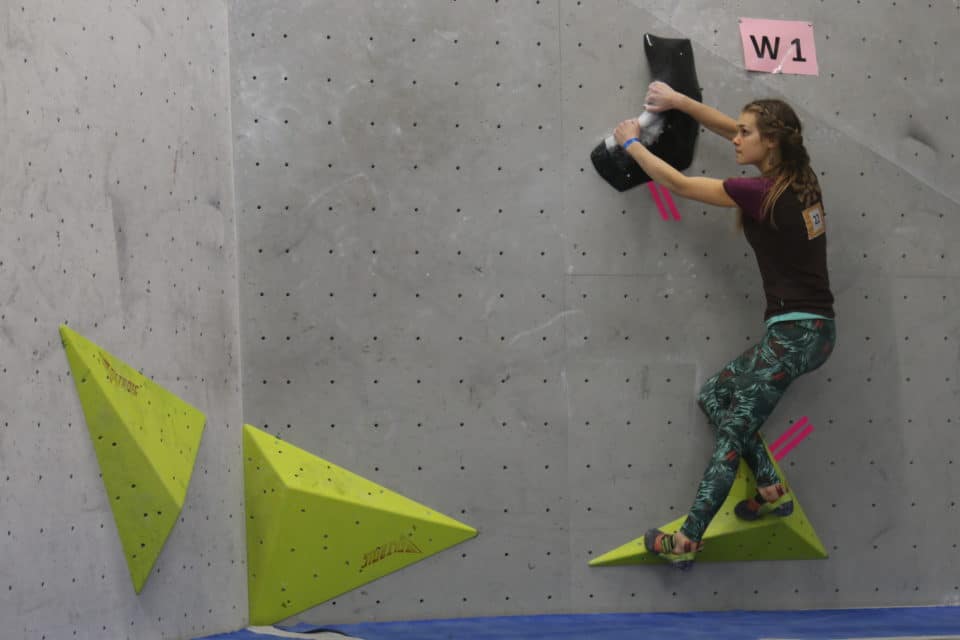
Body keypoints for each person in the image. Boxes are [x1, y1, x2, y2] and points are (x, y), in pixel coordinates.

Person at [613, 81, 837, 569]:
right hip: (809, 333)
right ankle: (770, 488)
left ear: (770, 142)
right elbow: (730, 127)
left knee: (733, 433)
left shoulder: (759, 193)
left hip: (794, 336)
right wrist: (678, 103)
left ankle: (686, 540)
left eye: (745, 134)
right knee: (715, 396)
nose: (735, 138)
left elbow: (678, 185)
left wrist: (631, 143)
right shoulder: (802, 178)